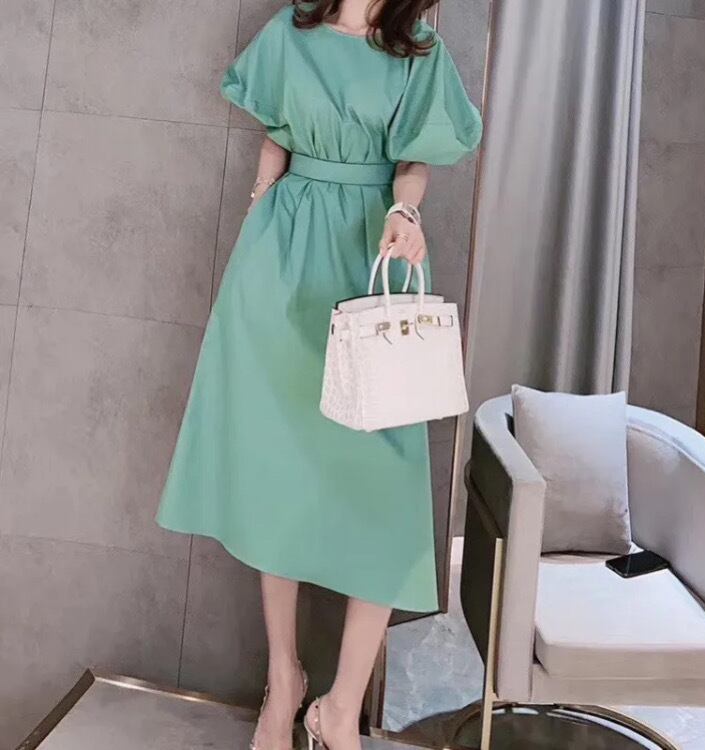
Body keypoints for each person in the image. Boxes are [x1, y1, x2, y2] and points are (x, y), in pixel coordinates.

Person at [155, 1, 482, 748]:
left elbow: (414, 161)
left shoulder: (418, 49)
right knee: (280, 476)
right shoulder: (291, 30)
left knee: (387, 493)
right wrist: (258, 213)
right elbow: (275, 135)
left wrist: (406, 213)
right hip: (281, 263)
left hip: (370, 256)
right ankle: (286, 680)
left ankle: (342, 708)